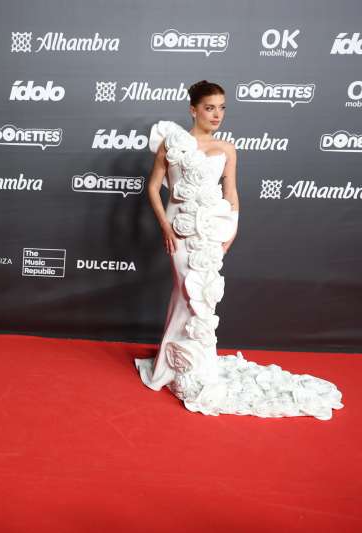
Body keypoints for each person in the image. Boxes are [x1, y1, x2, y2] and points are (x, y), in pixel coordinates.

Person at [135, 80, 343, 420]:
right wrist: (164, 226)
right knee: (190, 294)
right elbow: (153, 187)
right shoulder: (173, 144)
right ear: (193, 109)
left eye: (222, 108)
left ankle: (175, 361)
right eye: (209, 108)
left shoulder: (228, 148)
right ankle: (178, 364)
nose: (217, 114)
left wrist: (232, 228)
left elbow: (231, 193)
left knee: (199, 294)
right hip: (180, 230)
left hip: (213, 231)